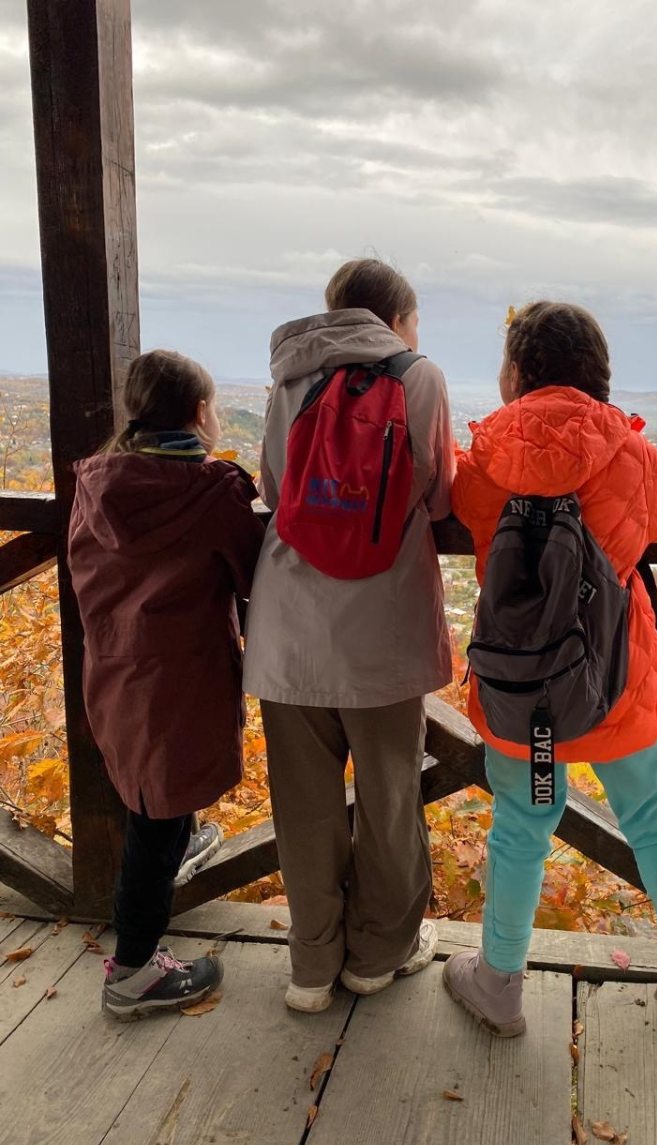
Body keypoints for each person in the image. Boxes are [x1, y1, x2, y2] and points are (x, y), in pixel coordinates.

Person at [443, 301, 657, 1036]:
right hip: (615, 688)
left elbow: (456, 501)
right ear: (598, 374)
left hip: (525, 694)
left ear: (515, 373)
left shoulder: (486, 458)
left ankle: (499, 982)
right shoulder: (627, 454)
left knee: (523, 826)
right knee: (654, 823)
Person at [243, 258, 454, 1013]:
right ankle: (377, 955)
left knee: (304, 809)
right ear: (396, 319)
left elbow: (274, 488)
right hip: (382, 629)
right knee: (390, 799)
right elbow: (440, 495)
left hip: (287, 629)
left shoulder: (290, 373)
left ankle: (311, 968)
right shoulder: (419, 376)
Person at [68, 349, 264, 1019]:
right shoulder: (210, 491)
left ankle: (182, 846)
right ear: (201, 413)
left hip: (114, 670)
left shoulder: (96, 483)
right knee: (155, 822)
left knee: (150, 795)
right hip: (181, 677)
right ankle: (132, 972)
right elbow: (255, 576)